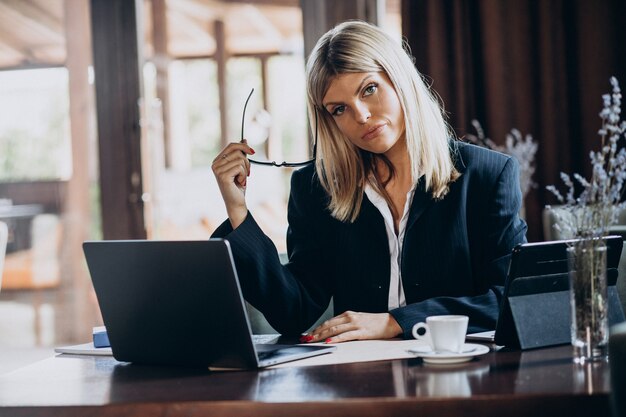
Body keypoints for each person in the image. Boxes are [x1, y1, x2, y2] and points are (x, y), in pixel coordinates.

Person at [210, 20, 527, 343]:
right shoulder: (315, 189)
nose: (360, 115)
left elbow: (511, 298)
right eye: (339, 109)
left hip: (461, 373)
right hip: (358, 377)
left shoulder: (487, 175)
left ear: (398, 78)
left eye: (369, 89)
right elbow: (294, 313)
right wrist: (238, 211)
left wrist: (397, 322)